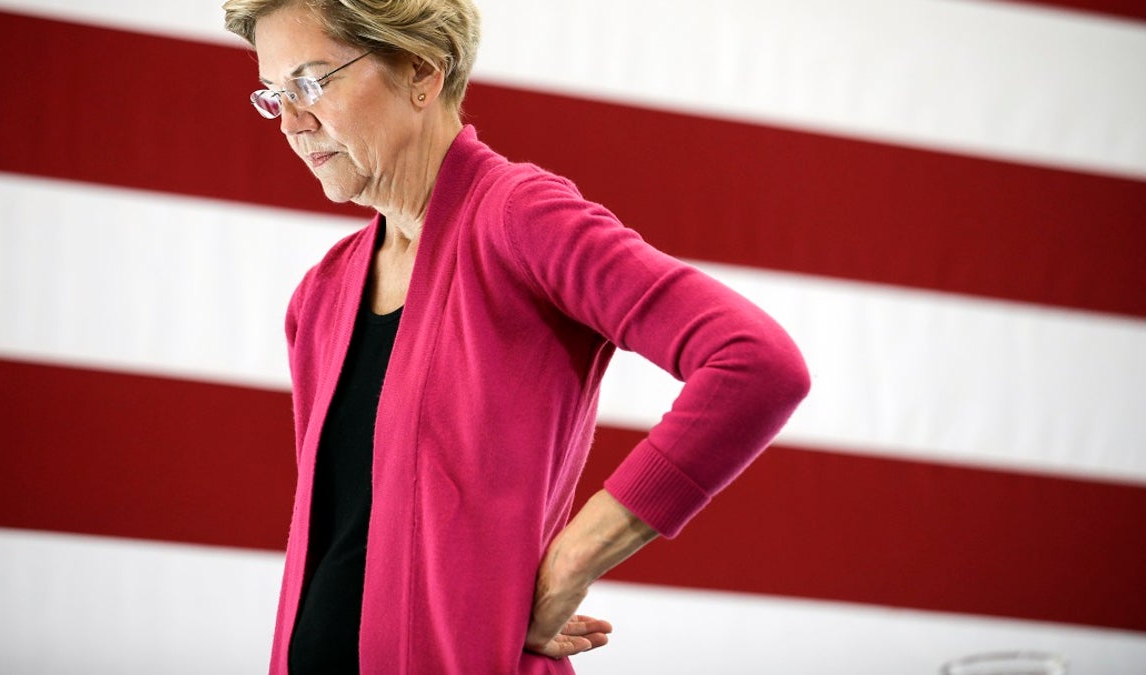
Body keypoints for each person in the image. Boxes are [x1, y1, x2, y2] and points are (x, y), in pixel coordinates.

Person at [221, 1, 810, 672]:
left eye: (313, 82)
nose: (293, 122)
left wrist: (571, 561)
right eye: (275, 93)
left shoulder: (518, 216)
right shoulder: (319, 296)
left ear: (421, 71)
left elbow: (755, 362)